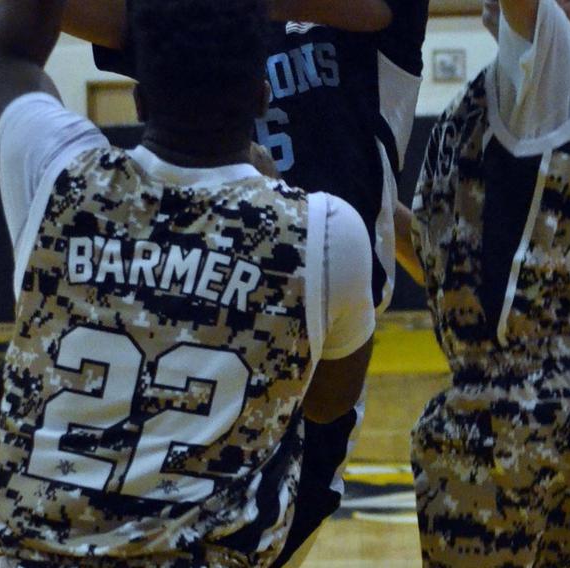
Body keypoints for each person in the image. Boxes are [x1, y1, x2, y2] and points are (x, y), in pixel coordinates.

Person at [0, 1, 376, 566]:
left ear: (139, 99)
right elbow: (332, 403)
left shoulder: (59, 174)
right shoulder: (324, 233)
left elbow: (10, 56)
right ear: (262, 97)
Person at [62, 0, 429, 562]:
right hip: (199, 310)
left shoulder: (360, 21)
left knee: (280, 532)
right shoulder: (205, 26)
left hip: (313, 332)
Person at [409, 0, 570, 566]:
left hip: (509, 414)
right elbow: (439, 259)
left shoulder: (550, 58)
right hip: (538, 408)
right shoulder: (505, 84)